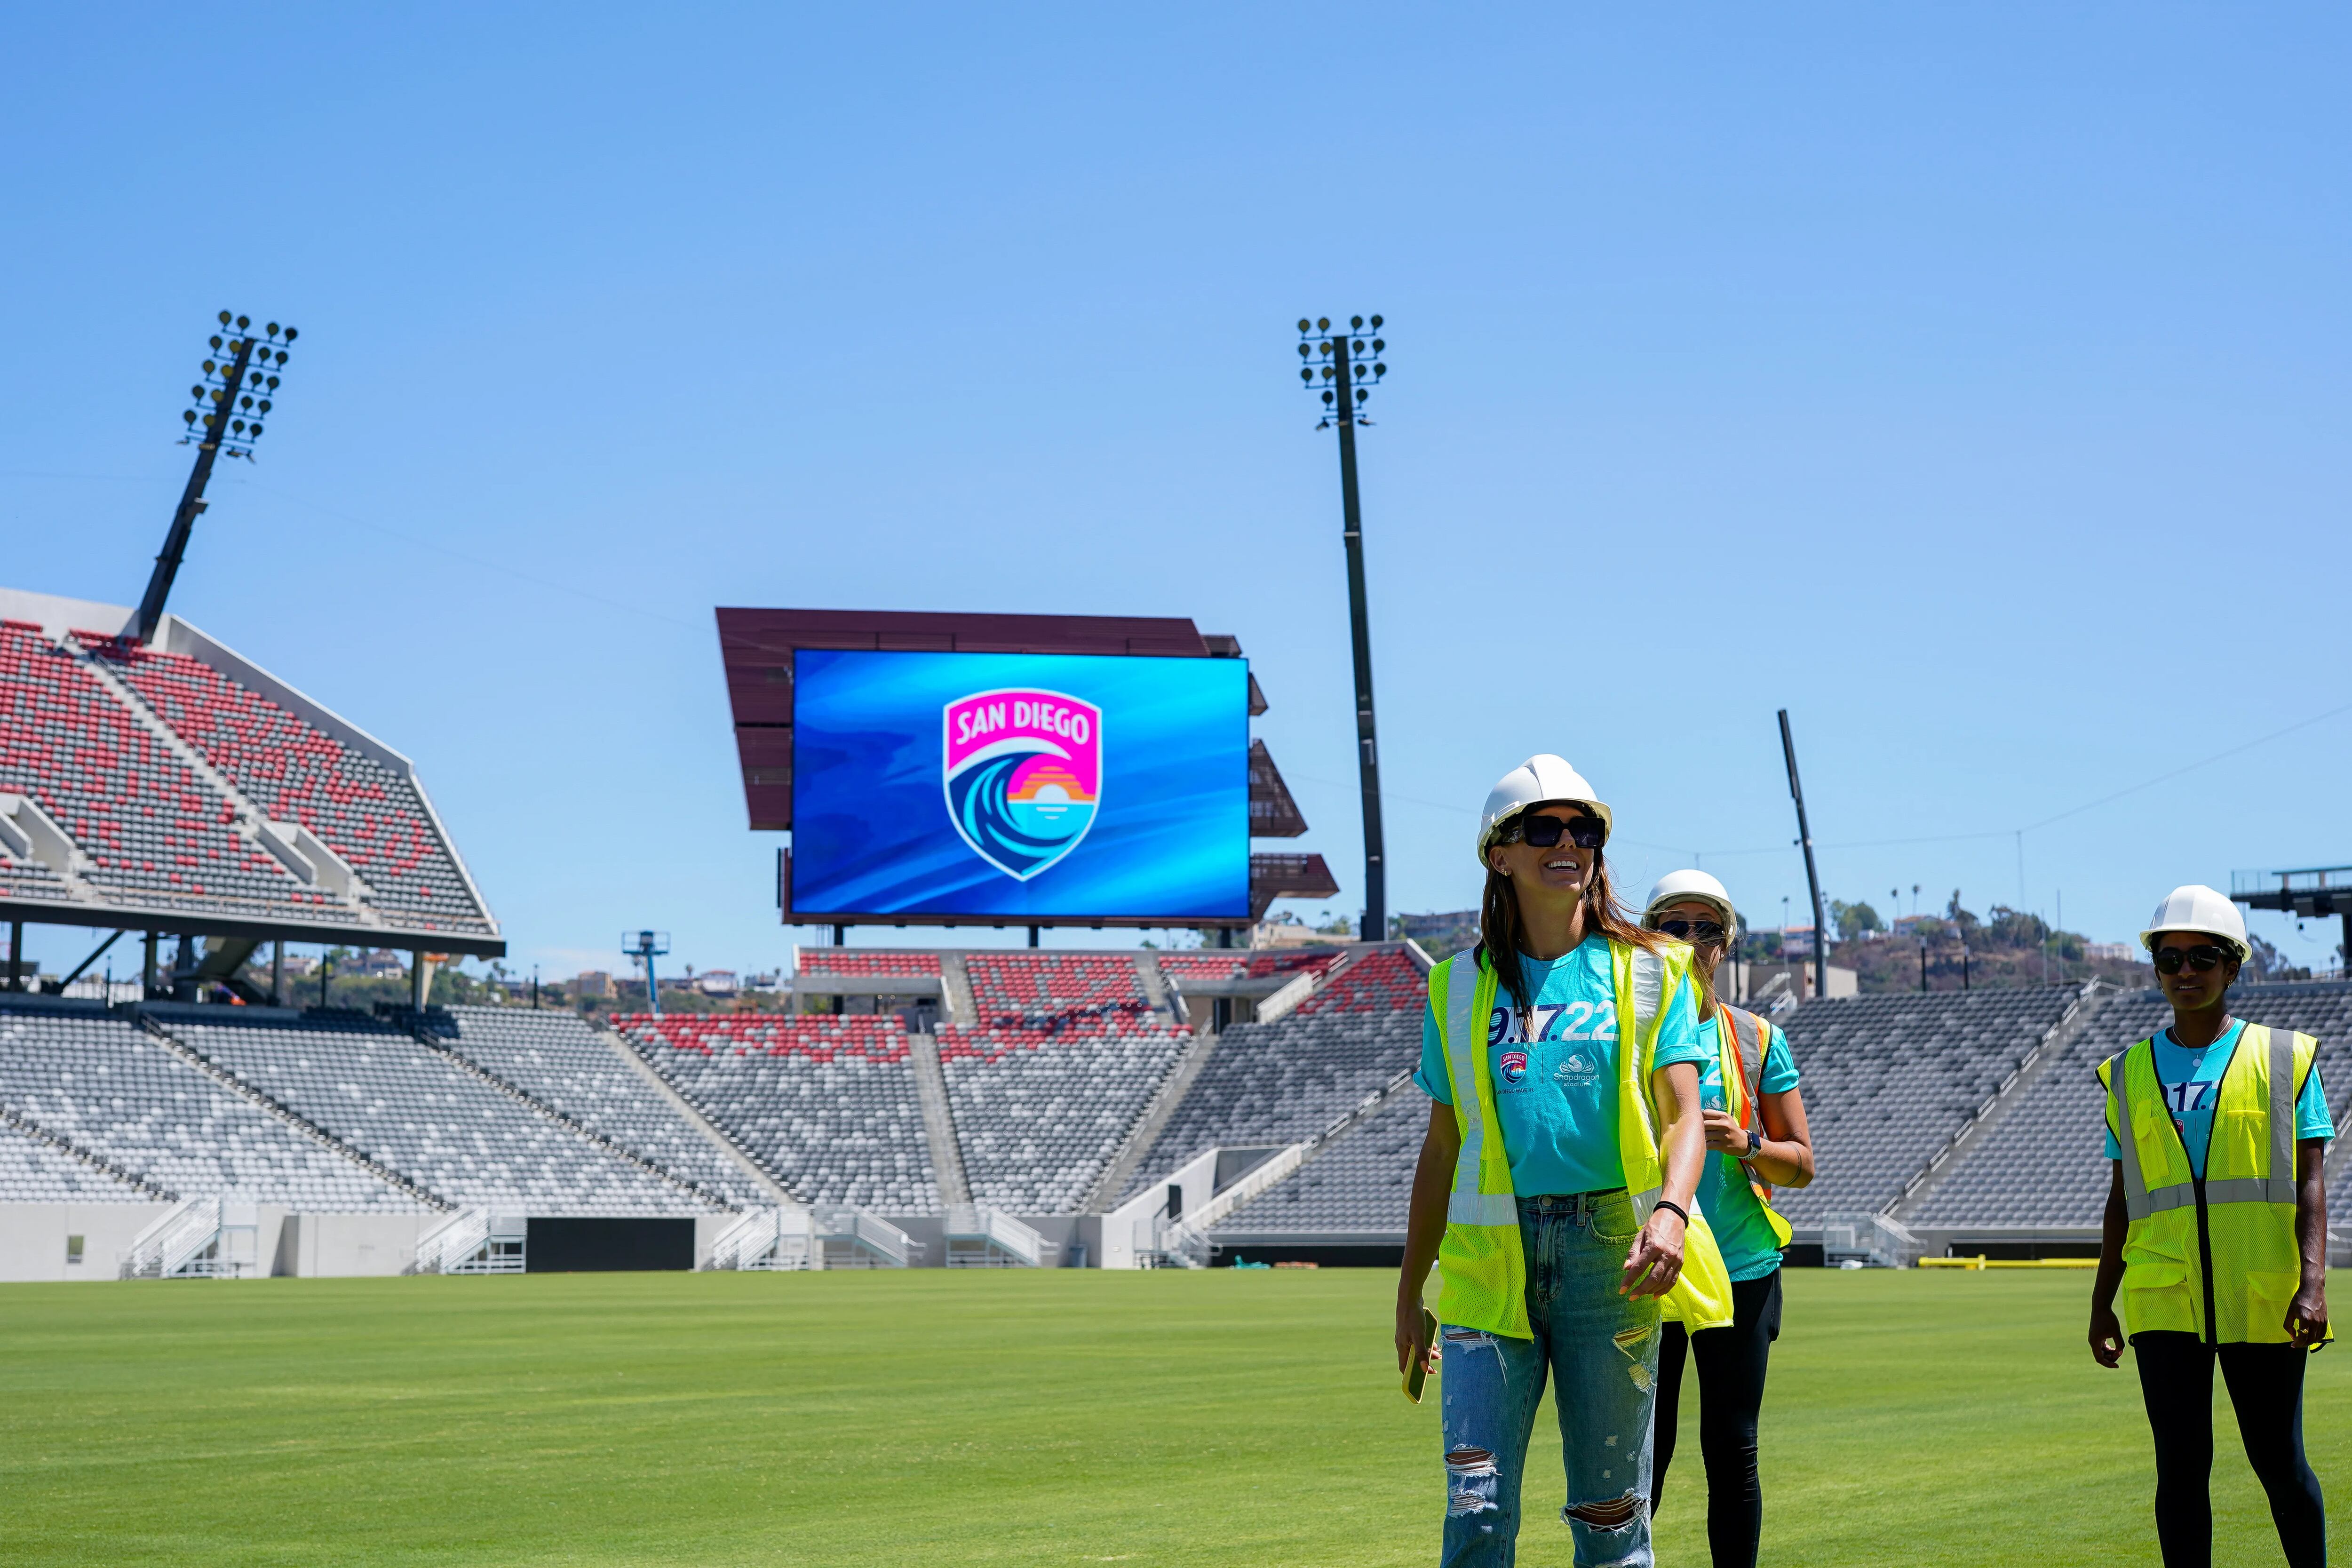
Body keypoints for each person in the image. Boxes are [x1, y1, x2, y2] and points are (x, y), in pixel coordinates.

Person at [1394, 755, 1734, 1568]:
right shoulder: (1452, 988)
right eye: (1544, 827)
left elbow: (1687, 1115)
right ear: (1499, 854)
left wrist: (1671, 1209)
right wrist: (1410, 1294)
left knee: (1612, 1521)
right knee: (1474, 1514)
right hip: (1485, 1277)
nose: (1570, 842)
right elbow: (1440, 1149)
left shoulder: (1651, 970)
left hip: (1608, 1260)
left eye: (1586, 829)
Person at [2088, 884, 2331, 1568]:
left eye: (2203, 957)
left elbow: (2311, 1182)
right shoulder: (2128, 1072)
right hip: (2165, 1295)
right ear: (2157, 970)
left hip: (2262, 1294)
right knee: (2180, 1471)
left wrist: (2313, 1284)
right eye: (2170, 959)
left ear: (2233, 966)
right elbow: (2121, 1199)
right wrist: (2102, 1299)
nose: (2185, 971)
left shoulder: (2286, 1058)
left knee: (2280, 1464)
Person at [1640, 870, 1815, 1568]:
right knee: (1638, 1456)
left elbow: (1801, 1163)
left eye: (1704, 929)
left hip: (1740, 1272)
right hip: (1649, 1266)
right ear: (1648, 940)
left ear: (1726, 944)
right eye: (1673, 928)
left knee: (1732, 1450)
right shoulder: (1624, 1029)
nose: (1688, 941)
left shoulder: (1756, 1037)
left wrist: (1748, 1144)